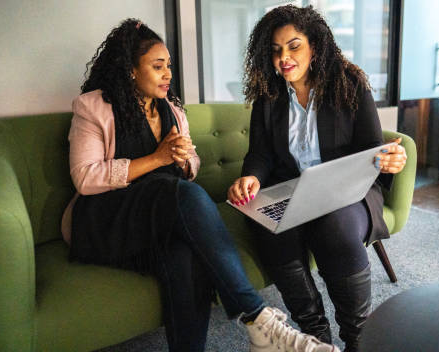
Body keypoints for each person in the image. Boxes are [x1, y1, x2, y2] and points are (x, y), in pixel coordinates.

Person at [61, 18, 340, 352]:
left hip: (160, 217)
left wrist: (182, 160)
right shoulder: (93, 107)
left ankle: (245, 329)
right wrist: (159, 159)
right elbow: (86, 176)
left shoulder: (173, 111)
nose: (168, 74)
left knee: (186, 257)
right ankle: (256, 315)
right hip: (107, 219)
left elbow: (192, 165)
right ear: (131, 71)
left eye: (169, 66)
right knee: (181, 192)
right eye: (158, 66)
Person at [227, 5, 407, 352]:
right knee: (263, 221)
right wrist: (250, 177)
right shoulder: (270, 96)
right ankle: (315, 336)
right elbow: (261, 154)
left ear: (315, 46)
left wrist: (390, 160)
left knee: (335, 225)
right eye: (276, 50)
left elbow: (373, 149)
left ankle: (358, 339)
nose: (284, 58)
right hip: (293, 191)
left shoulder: (349, 84)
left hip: (347, 193)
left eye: (293, 46)